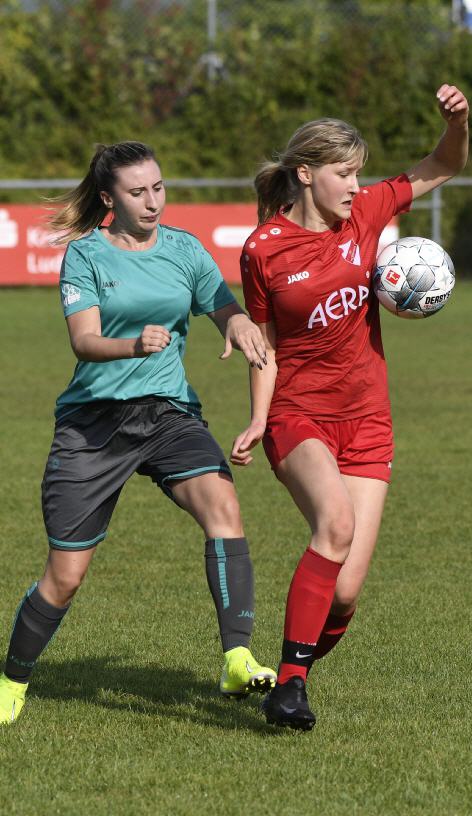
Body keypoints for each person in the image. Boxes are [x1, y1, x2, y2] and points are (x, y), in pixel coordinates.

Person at [0, 141, 276, 725]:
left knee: (223, 508)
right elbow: (83, 341)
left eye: (158, 187)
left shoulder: (185, 249)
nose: (152, 201)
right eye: (137, 192)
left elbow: (224, 308)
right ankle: (12, 680)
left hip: (168, 414)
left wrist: (240, 324)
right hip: (93, 426)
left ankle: (237, 657)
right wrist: (133, 344)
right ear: (109, 199)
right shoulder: (86, 255)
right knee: (65, 577)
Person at [231, 84, 469, 730]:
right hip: (297, 416)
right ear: (306, 174)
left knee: (344, 592)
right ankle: (290, 691)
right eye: (344, 173)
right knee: (333, 526)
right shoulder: (262, 249)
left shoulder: (365, 214)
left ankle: (290, 677)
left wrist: (458, 122)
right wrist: (259, 418)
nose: (356, 185)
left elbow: (443, 164)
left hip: (367, 422)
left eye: (359, 173)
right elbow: (265, 346)